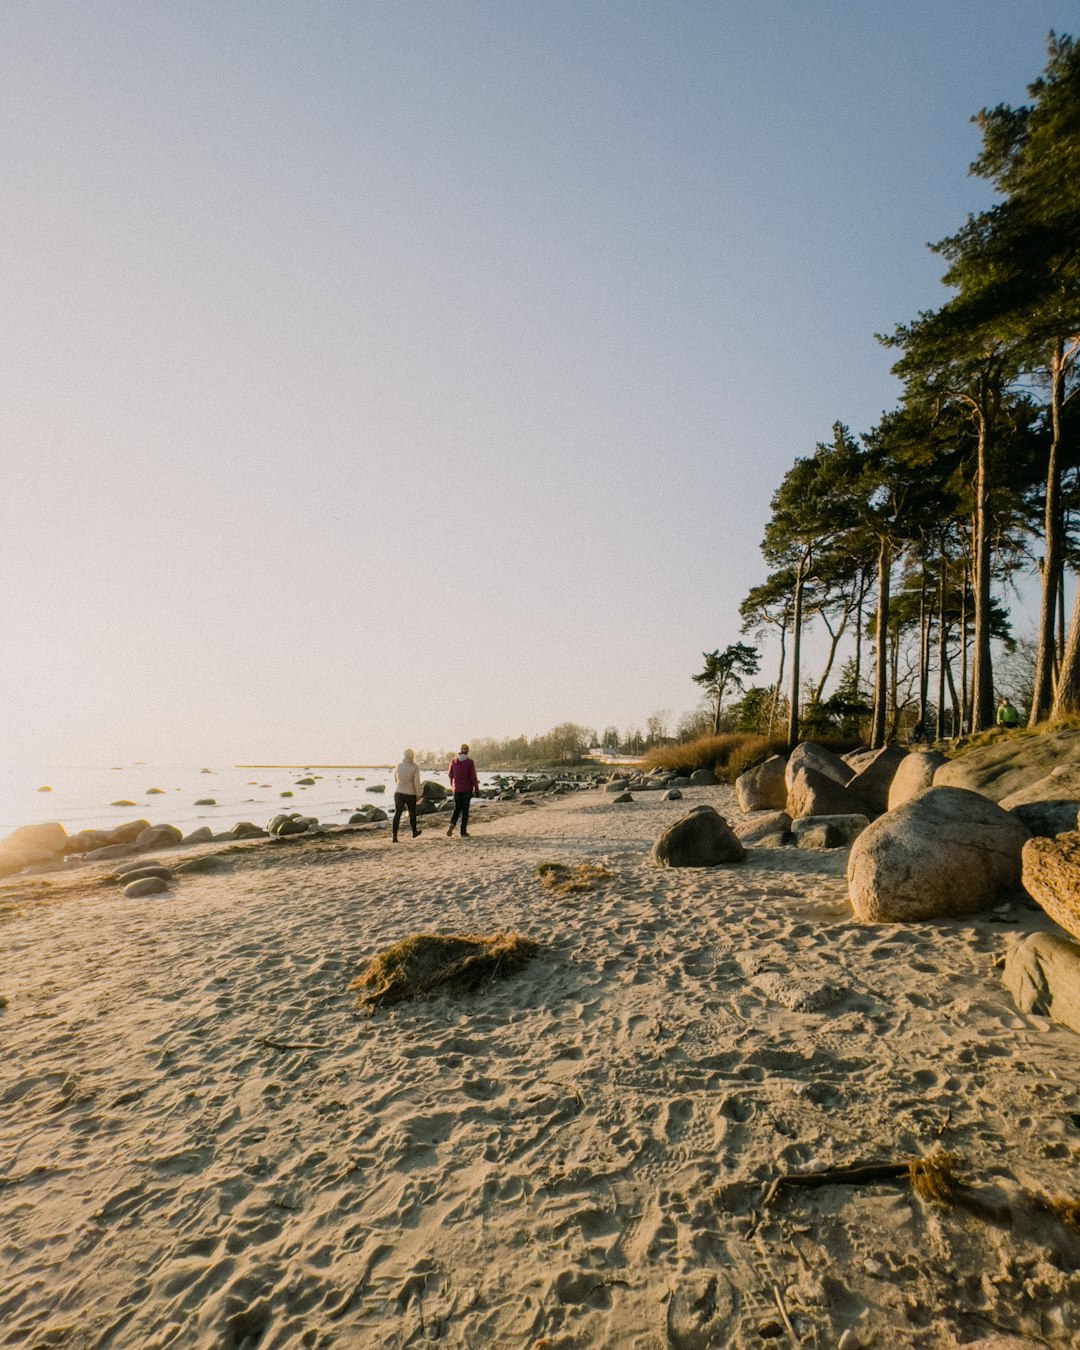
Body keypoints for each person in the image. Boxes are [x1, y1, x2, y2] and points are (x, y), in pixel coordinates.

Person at [447, 742, 480, 838]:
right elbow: (473, 776)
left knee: (457, 808)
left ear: (460, 750)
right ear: (468, 751)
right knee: (465, 810)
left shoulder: (454, 760)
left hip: (457, 789)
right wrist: (476, 788)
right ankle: (463, 831)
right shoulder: (470, 762)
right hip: (467, 789)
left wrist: (452, 786)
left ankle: (452, 824)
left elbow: (450, 774)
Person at [392, 749, 423, 843]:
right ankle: (414, 831)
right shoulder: (414, 767)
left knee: (397, 814)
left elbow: (396, 778)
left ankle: (394, 836)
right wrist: (419, 793)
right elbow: (416, 782)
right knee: (412, 812)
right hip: (410, 793)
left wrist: (399, 785)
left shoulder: (399, 765)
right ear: (412, 756)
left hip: (398, 792)